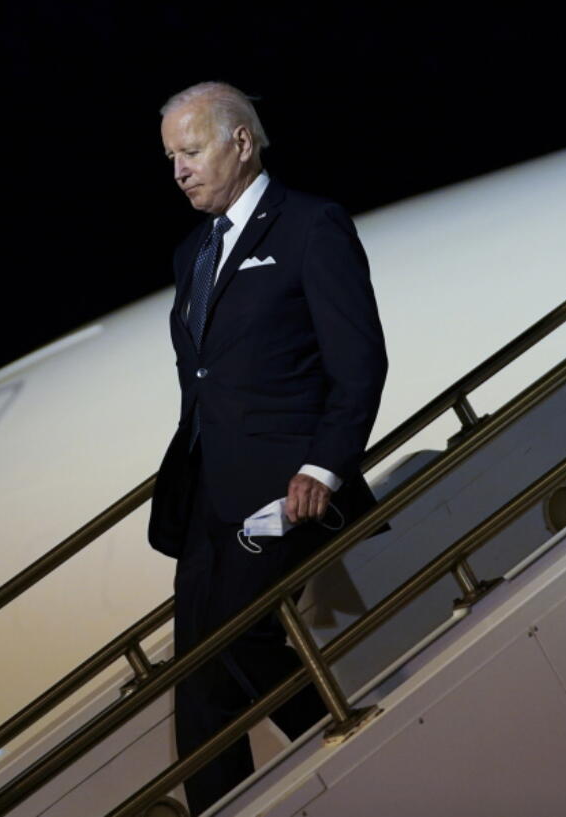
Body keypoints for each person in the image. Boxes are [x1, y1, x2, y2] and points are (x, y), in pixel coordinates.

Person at [147, 81, 389, 815]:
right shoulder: (192, 250)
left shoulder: (310, 226)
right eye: (170, 158)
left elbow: (358, 362)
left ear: (241, 142)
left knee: (236, 641)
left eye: (191, 151)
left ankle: (355, 745)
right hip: (205, 496)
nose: (179, 170)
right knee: (195, 684)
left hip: (284, 487)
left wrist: (323, 463)